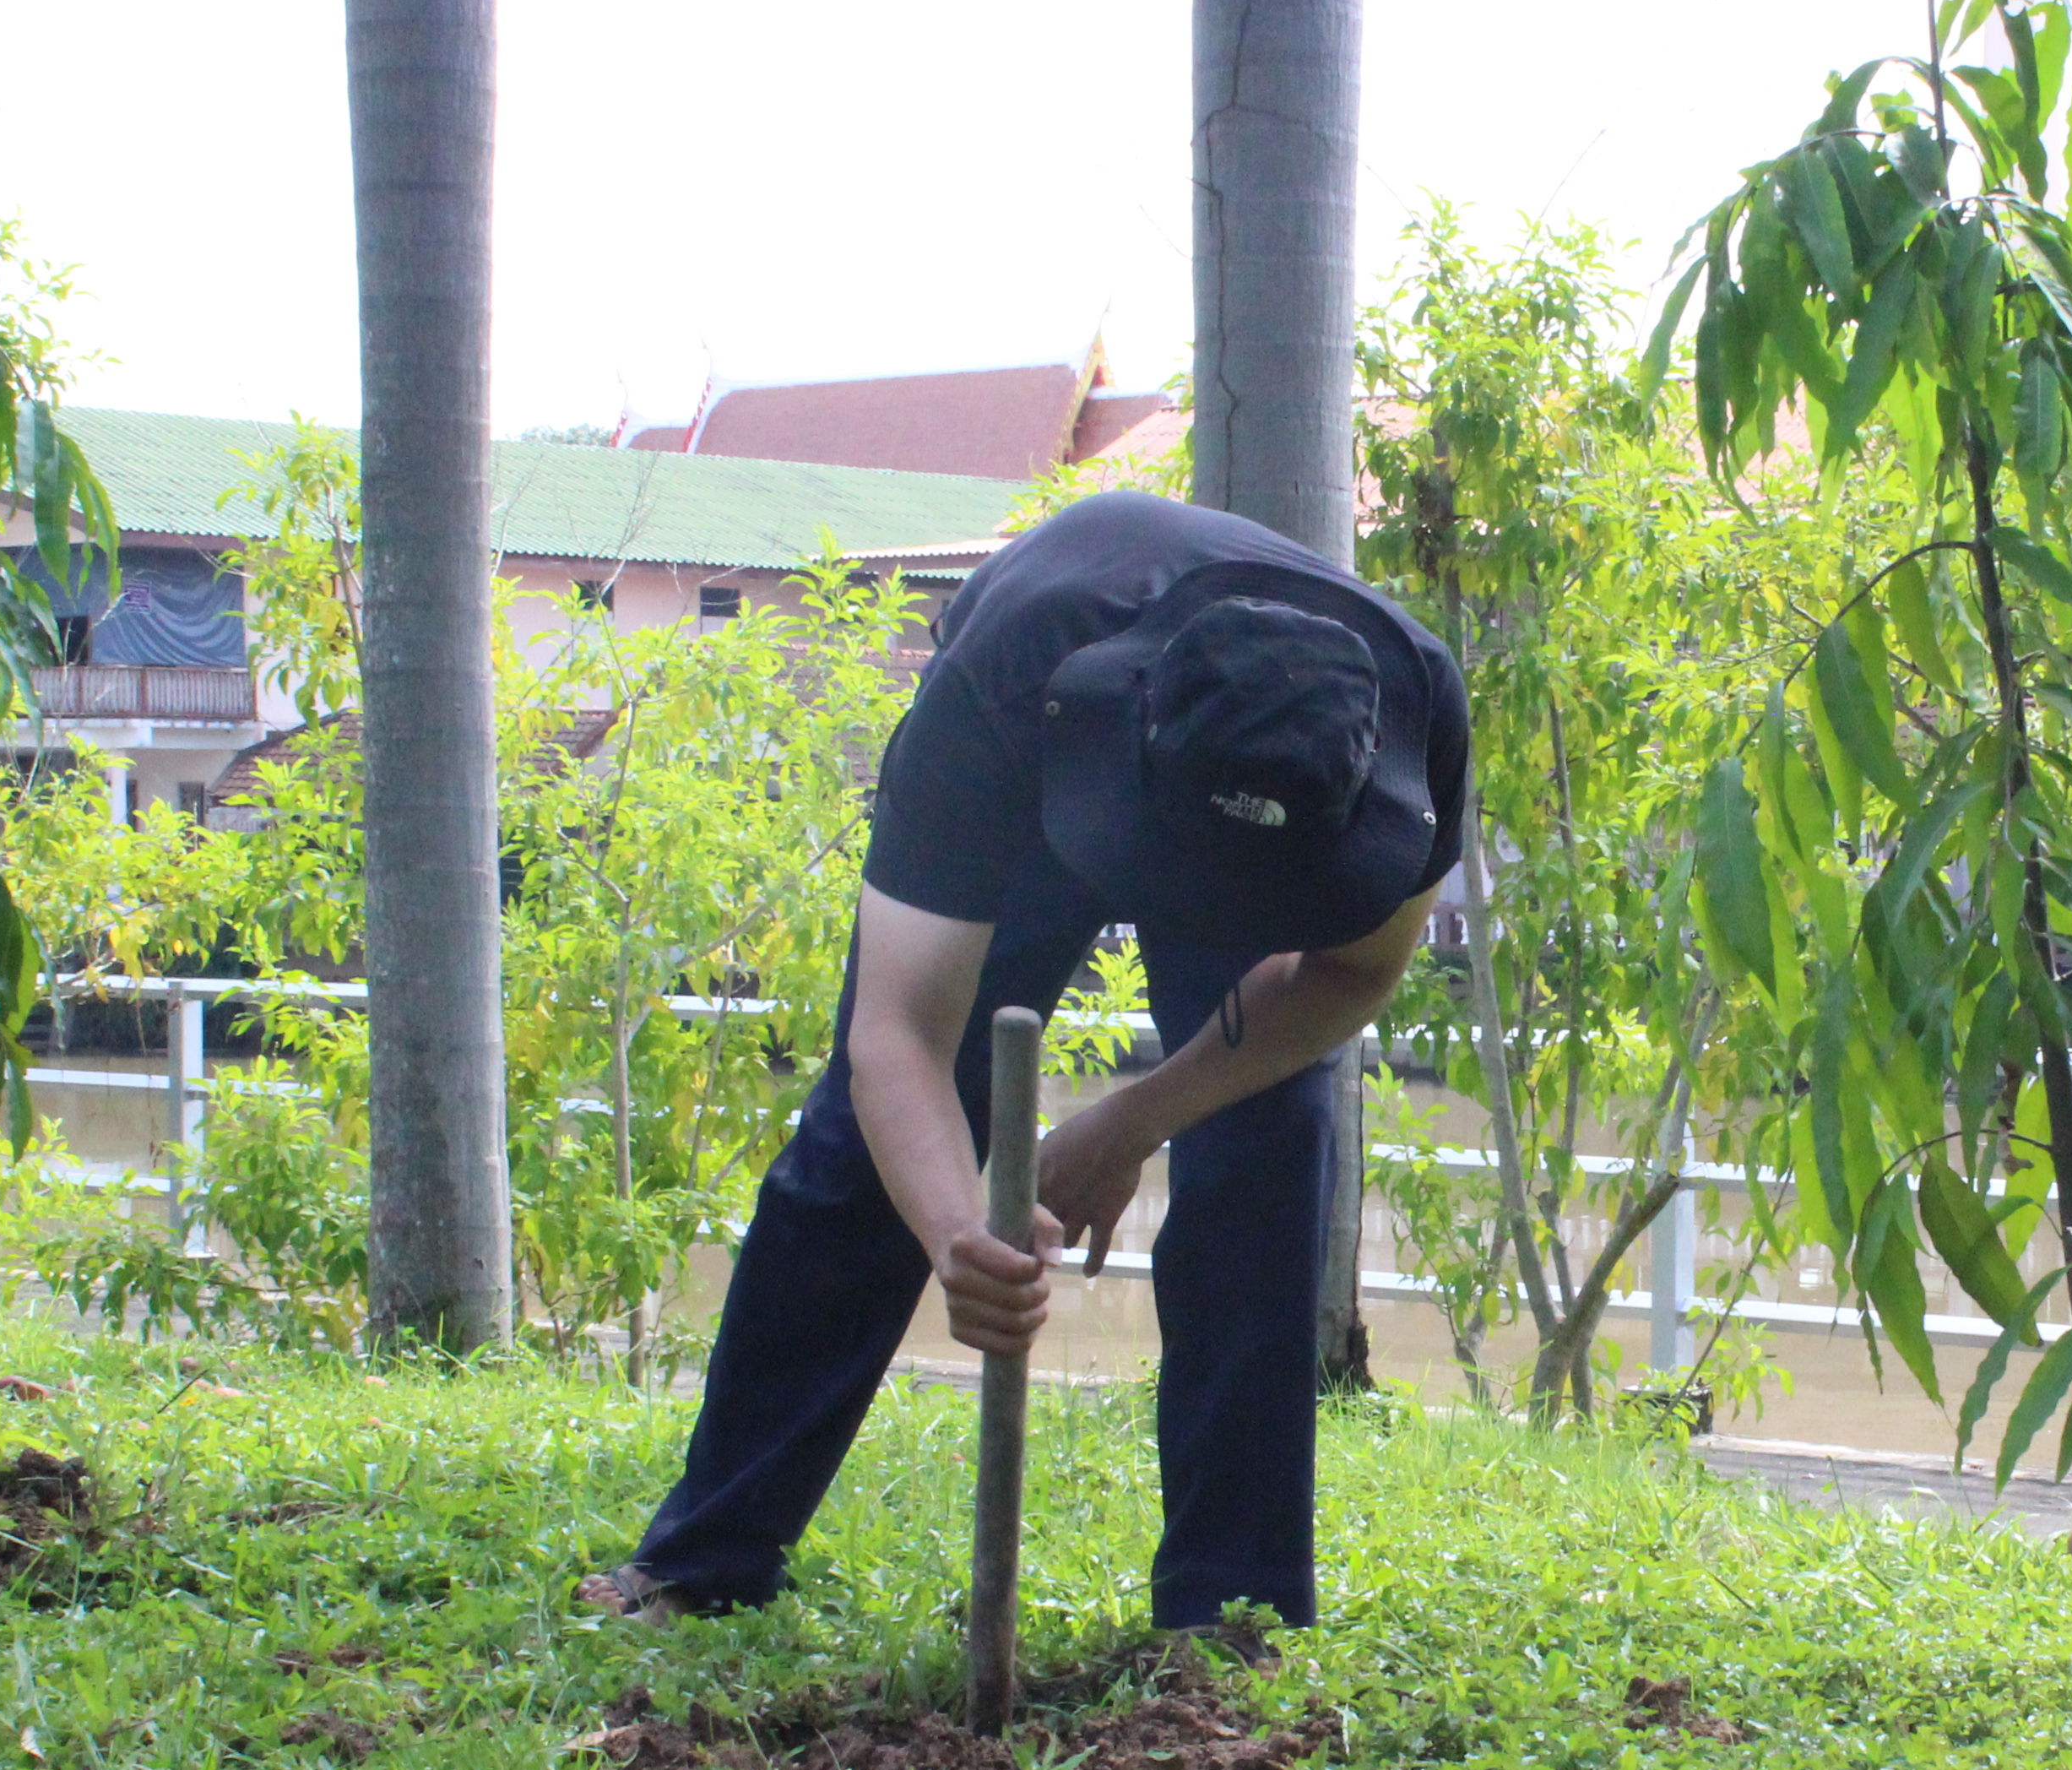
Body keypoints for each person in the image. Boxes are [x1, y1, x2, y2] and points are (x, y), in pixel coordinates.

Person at [577, 491, 1467, 1632]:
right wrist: (957, 1232)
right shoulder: (995, 700)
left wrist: (1128, 1120)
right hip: (1071, 750)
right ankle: (706, 1557)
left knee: (1267, 1138)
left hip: (1267, 790)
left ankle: (1230, 1613)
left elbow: (1345, 979)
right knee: (873, 1154)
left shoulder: (1413, 719)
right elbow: (897, 1034)